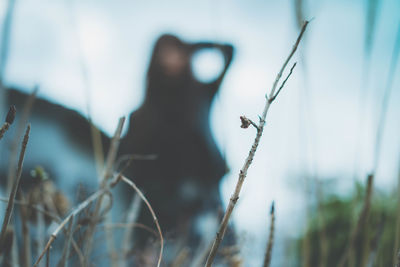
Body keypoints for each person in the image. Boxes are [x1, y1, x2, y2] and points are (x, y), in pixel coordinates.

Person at [119, 34, 234, 244]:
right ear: (156, 60)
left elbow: (229, 51)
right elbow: (131, 167)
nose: (172, 58)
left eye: (177, 52)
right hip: (160, 207)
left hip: (203, 198)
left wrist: (192, 46)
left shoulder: (201, 95)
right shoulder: (142, 114)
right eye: (166, 53)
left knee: (216, 255)